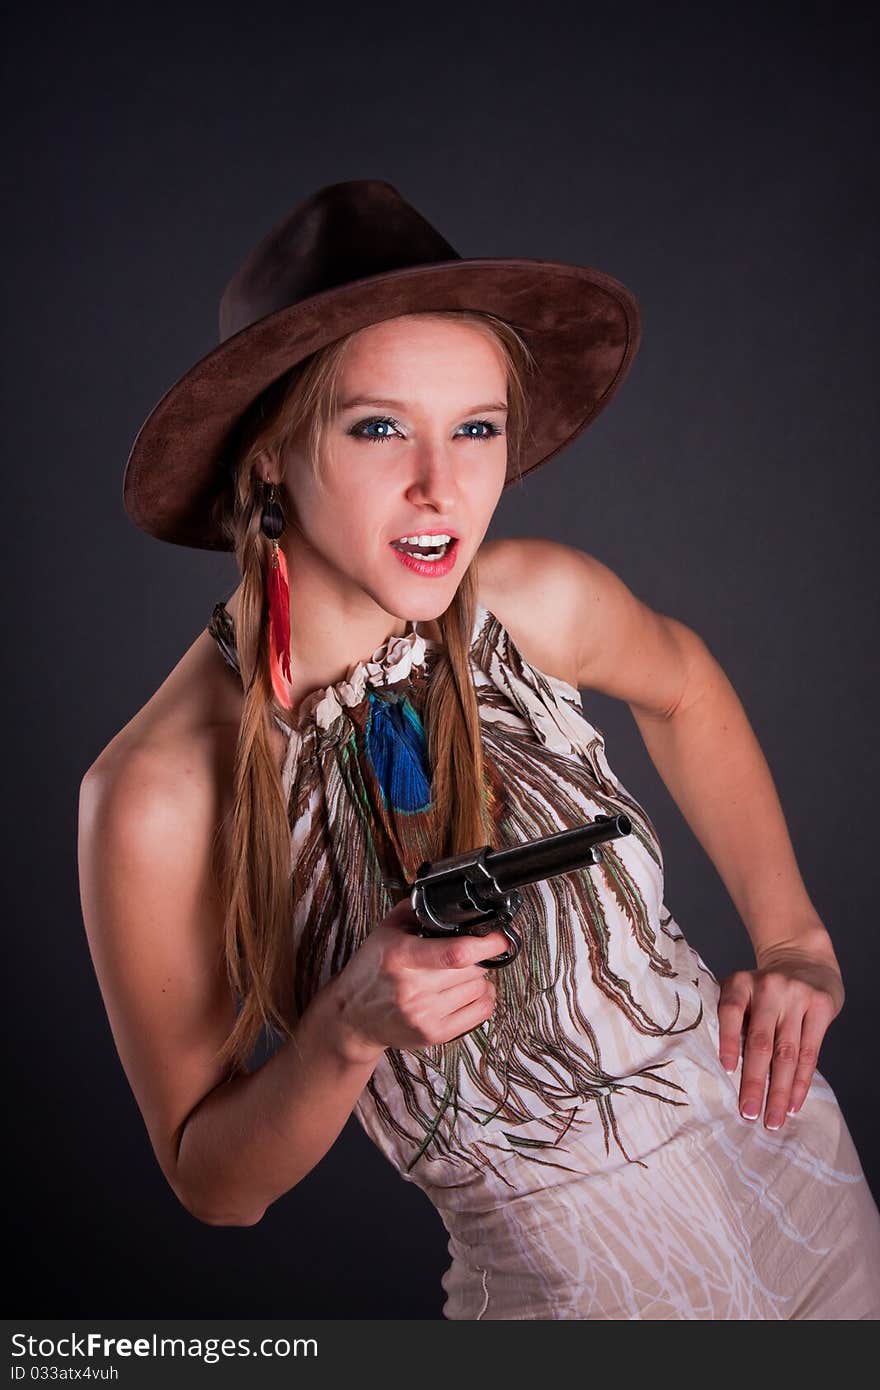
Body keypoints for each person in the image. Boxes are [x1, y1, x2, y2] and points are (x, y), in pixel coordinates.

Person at [78, 179, 880, 1320]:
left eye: (476, 428)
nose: (440, 487)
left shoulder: (530, 602)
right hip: (574, 1291)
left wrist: (795, 935)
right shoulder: (156, 792)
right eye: (376, 427)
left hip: (802, 1186)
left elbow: (687, 686)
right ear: (267, 458)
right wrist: (346, 1026)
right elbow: (212, 1182)